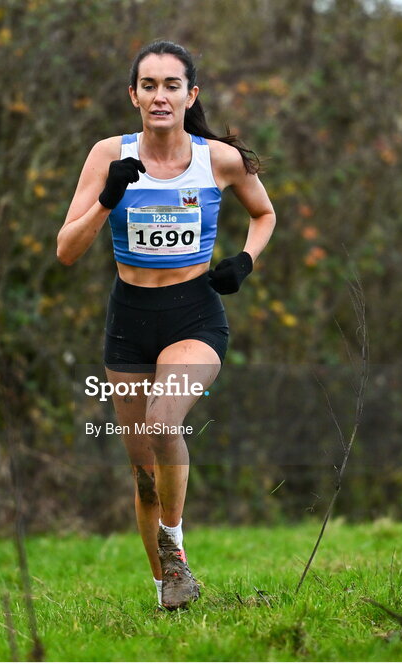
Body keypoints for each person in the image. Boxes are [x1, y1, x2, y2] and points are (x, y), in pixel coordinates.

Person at [57, 41, 276, 610]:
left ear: (190, 95)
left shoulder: (219, 159)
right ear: (134, 95)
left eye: (171, 85)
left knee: (163, 419)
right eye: (148, 85)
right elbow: (66, 250)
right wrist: (108, 197)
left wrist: (245, 261)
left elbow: (264, 212)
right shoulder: (108, 153)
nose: (160, 96)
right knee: (143, 472)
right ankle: (167, 590)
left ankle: (174, 548)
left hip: (194, 316)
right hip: (129, 322)